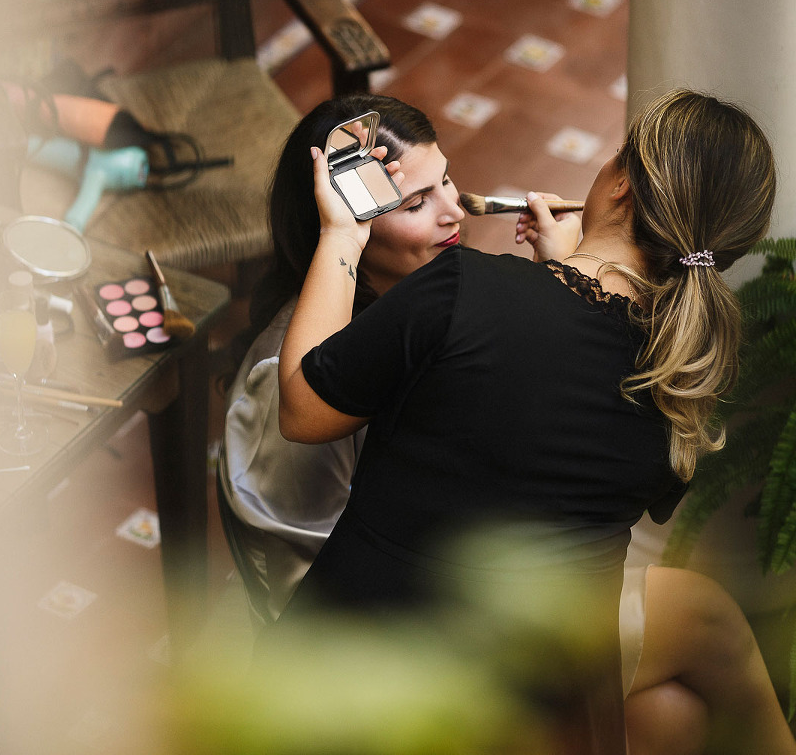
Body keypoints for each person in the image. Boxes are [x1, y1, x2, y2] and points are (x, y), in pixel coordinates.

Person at [225, 91, 790, 754]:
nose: (452, 211)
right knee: (680, 708)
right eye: (413, 202)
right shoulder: (675, 380)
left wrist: (342, 233)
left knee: (681, 699)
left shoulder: (459, 292)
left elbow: (311, 409)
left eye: (446, 185)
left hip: (395, 676)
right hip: (527, 694)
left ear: (621, 184)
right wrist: (560, 278)